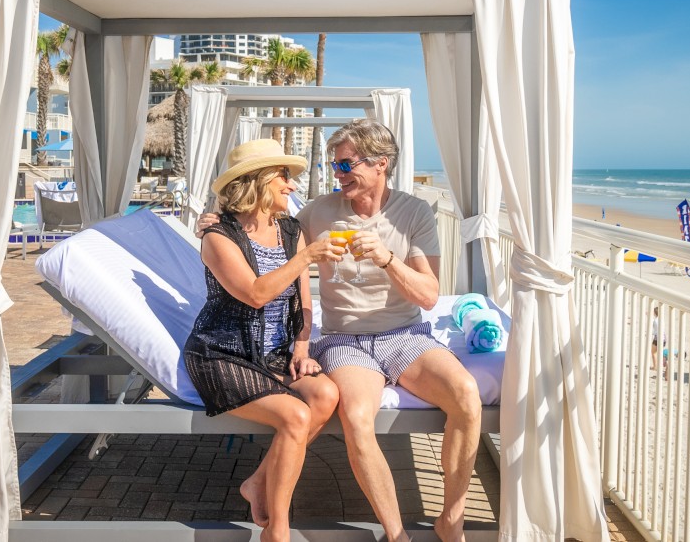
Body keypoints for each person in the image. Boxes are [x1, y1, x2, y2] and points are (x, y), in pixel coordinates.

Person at [199, 120, 481, 542]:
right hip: (344, 339)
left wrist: (388, 259)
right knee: (356, 416)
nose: (337, 173)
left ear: (380, 164)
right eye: (334, 164)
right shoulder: (317, 213)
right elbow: (261, 220)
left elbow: (428, 295)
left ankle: (451, 519)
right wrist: (214, 222)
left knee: (466, 396)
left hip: (405, 333)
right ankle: (397, 534)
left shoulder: (414, 214)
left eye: (346, 164)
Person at [184, 138, 341, 542]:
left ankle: (256, 483)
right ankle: (278, 530)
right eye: (283, 177)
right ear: (255, 183)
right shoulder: (219, 236)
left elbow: (305, 298)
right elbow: (255, 293)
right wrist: (305, 258)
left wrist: (302, 348)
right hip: (221, 353)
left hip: (270, 353)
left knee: (324, 395)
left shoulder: (290, 229)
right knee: (296, 416)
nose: (291, 185)